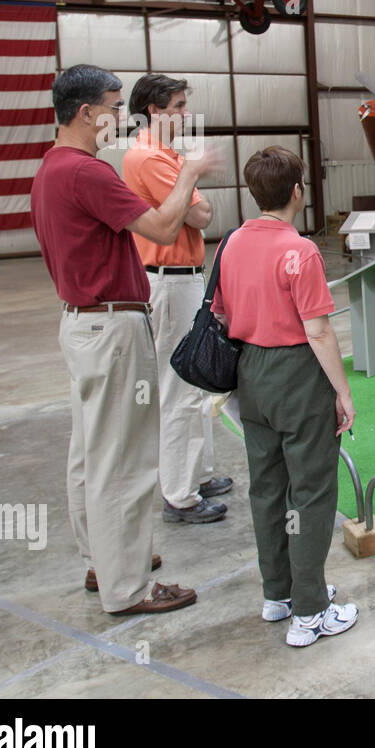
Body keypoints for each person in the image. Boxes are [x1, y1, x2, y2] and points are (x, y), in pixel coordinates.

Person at [30, 64, 220, 615]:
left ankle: (104, 559)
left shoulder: (50, 169)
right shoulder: (88, 173)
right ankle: (127, 587)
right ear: (87, 113)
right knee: (125, 461)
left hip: (82, 321)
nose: (120, 116)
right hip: (110, 325)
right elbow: (164, 228)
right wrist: (191, 172)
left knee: (90, 452)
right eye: (114, 107)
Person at [211, 146, 358, 646]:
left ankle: (279, 593)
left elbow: (223, 313)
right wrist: (343, 392)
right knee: (312, 490)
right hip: (297, 374)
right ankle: (312, 610)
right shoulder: (301, 251)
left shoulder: (229, 244)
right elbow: (318, 332)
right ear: (297, 190)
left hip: (250, 374)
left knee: (267, 488)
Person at [122, 74, 230, 525]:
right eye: (179, 106)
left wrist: (191, 185)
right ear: (155, 110)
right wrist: (193, 186)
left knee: (196, 379)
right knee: (181, 386)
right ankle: (180, 495)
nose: (186, 114)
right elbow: (200, 213)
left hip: (182, 277)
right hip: (168, 281)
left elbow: (200, 213)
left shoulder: (169, 157)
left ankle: (198, 474)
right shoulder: (150, 157)